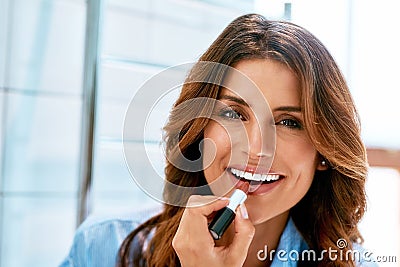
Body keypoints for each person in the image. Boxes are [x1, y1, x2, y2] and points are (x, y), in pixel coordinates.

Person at [60, 14, 377, 267]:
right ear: (199, 129)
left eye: (289, 122)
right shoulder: (103, 246)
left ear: (324, 152)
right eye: (234, 115)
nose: (256, 148)